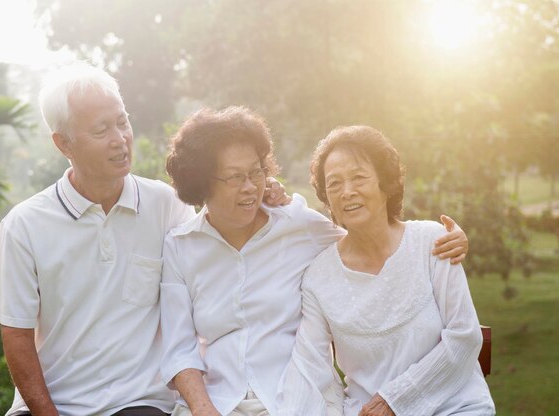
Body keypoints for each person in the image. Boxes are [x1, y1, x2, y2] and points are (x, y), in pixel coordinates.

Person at [159, 107, 469, 416]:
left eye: (256, 172)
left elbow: (367, 236)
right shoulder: (181, 246)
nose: (251, 187)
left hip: (288, 401)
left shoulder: (298, 226)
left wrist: (450, 238)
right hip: (215, 402)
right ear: (201, 182)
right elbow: (179, 349)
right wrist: (204, 410)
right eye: (235, 177)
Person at [0, 62, 199, 416]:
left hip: (139, 401)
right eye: (101, 130)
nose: (120, 139)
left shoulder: (166, 205)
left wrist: (267, 195)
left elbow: (218, 246)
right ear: (64, 144)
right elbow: (16, 336)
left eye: (122, 122)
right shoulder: (24, 225)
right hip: (52, 403)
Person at [278, 126, 495, 416]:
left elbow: (465, 336)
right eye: (334, 184)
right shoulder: (318, 277)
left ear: (386, 183)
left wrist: (395, 401)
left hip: (457, 408)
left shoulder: (433, 243)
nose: (347, 192)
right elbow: (311, 369)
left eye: (359, 177)